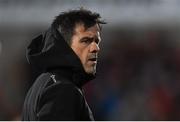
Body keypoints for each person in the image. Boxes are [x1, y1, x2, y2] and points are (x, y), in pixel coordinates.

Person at [22, 8, 105, 121]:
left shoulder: (45, 81)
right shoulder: (63, 89)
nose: (96, 48)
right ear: (65, 46)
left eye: (97, 41)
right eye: (86, 40)